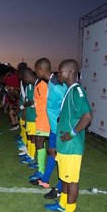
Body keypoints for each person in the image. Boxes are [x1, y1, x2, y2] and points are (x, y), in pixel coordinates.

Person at [45, 59, 92, 212]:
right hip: (64, 145)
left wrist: (72, 133)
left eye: (60, 71)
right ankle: (63, 204)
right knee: (64, 178)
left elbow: (87, 116)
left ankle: (69, 210)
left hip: (72, 147)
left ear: (70, 72)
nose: (58, 74)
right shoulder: (69, 89)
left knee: (71, 181)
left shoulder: (77, 91)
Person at [34, 58, 66, 198]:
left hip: (60, 129)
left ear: (41, 70)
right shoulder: (51, 83)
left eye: (36, 70)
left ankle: (59, 189)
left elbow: (67, 106)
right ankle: (45, 180)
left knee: (61, 158)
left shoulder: (57, 86)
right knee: (51, 152)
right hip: (54, 128)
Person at [19, 68, 37, 166]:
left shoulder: (35, 85)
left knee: (33, 136)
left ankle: (32, 156)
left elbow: (32, 101)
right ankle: (29, 154)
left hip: (34, 115)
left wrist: (21, 107)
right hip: (30, 114)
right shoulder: (29, 85)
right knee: (29, 135)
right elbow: (28, 100)